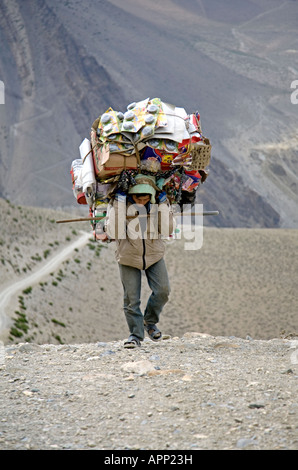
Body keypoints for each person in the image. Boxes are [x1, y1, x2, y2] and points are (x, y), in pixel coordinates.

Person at [105, 173, 175, 348]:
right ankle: (135, 335)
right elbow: (113, 232)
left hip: (154, 255)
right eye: (138, 198)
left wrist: (163, 205)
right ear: (130, 195)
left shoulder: (157, 205)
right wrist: (120, 204)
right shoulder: (118, 205)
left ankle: (149, 322)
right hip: (128, 257)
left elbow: (167, 230)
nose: (142, 202)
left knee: (163, 291)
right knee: (131, 300)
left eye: (145, 199)